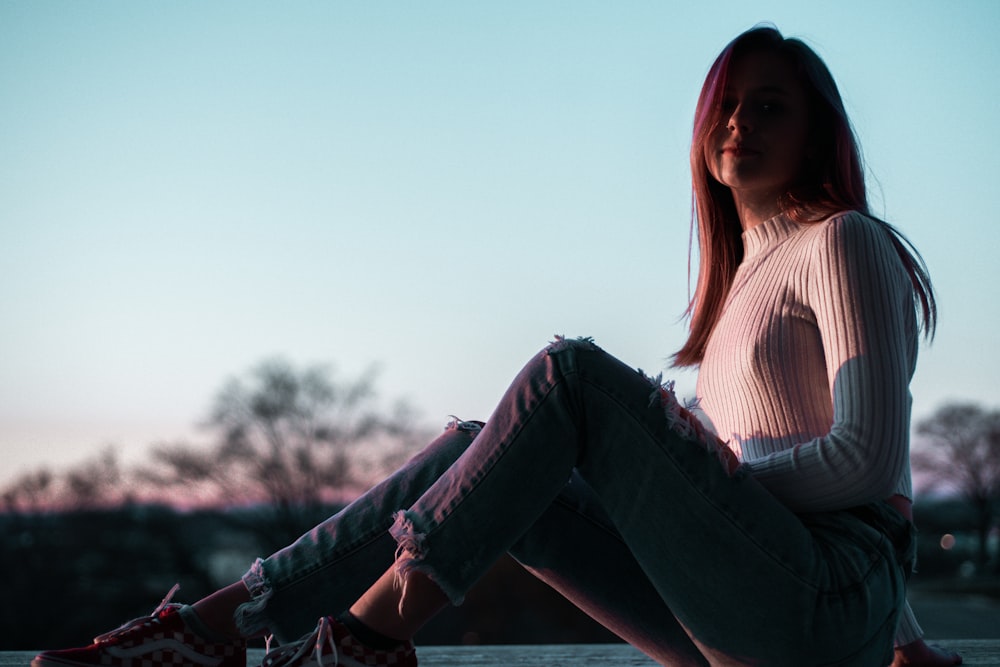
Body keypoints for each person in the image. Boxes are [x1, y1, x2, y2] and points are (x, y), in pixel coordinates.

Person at [33, 25, 962, 667]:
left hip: (818, 607)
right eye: (728, 106)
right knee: (486, 448)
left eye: (769, 108)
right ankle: (208, 630)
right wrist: (906, 642)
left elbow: (866, 468)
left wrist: (701, 472)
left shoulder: (843, 241)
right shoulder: (739, 295)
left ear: (816, 131)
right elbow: (792, 498)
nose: (739, 125)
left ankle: (363, 638)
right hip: (752, 617)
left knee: (571, 377)